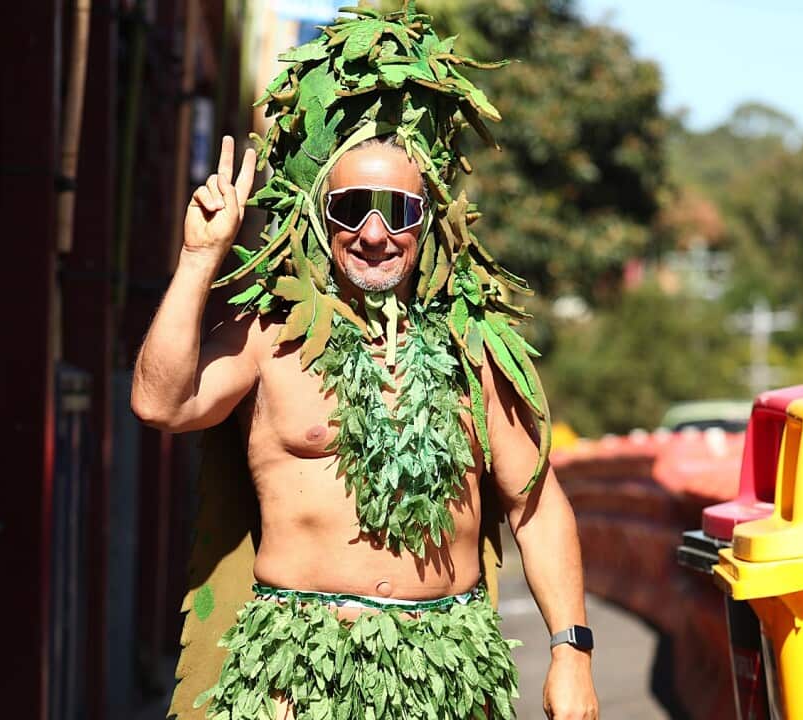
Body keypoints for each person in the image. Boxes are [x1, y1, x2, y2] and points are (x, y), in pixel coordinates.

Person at [132, 5, 598, 719]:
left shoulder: (472, 352)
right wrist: (199, 259)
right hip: (294, 675)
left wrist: (571, 652)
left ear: (427, 223)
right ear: (322, 217)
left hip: (445, 671)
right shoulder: (269, 335)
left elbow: (536, 504)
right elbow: (161, 404)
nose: (374, 234)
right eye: (353, 207)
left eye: (397, 210)